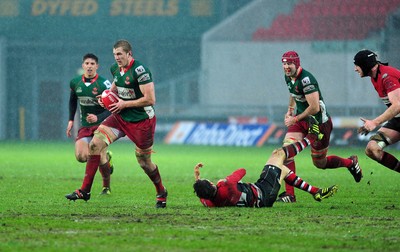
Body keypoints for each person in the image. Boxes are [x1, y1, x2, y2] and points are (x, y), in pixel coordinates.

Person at [65, 40, 168, 208]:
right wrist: (105, 96)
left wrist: (124, 104)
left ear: (129, 54)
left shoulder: (140, 71)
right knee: (95, 145)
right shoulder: (115, 69)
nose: (117, 58)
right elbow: (115, 87)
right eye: (114, 54)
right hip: (120, 117)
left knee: (144, 162)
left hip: (142, 121)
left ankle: (161, 192)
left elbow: (150, 99)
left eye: (120, 54)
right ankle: (85, 191)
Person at [193, 117, 338, 208]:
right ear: (211, 184)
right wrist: (225, 179)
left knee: (282, 169)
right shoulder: (226, 185)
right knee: (278, 153)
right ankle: (312, 137)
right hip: (263, 191)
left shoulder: (209, 203)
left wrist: (198, 179)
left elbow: (203, 194)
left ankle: (315, 192)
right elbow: (242, 171)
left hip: (262, 198)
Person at [277, 51, 362, 203]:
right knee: (286, 153)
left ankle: (350, 163)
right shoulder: (288, 76)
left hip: (318, 123)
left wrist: (294, 118)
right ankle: (290, 195)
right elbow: (293, 93)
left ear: (296, 63)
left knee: (319, 163)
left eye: (289, 64)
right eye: (284, 64)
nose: (286, 67)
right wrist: (290, 110)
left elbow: (315, 107)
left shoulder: (307, 80)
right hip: (301, 121)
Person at [66, 53, 114, 195]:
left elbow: (112, 108)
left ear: (97, 66)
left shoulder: (104, 84)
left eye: (92, 64)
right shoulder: (75, 83)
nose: (89, 66)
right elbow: (72, 101)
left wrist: (98, 116)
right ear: (83, 65)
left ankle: (106, 187)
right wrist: (70, 120)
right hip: (85, 125)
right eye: (87, 63)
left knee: (98, 154)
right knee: (81, 156)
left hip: (102, 125)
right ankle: (107, 159)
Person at [354, 49, 400, 173]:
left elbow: (397, 106)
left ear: (365, 65)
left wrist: (374, 122)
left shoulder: (387, 76)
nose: (355, 69)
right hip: (398, 119)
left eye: (357, 65)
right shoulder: (375, 77)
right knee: (372, 149)